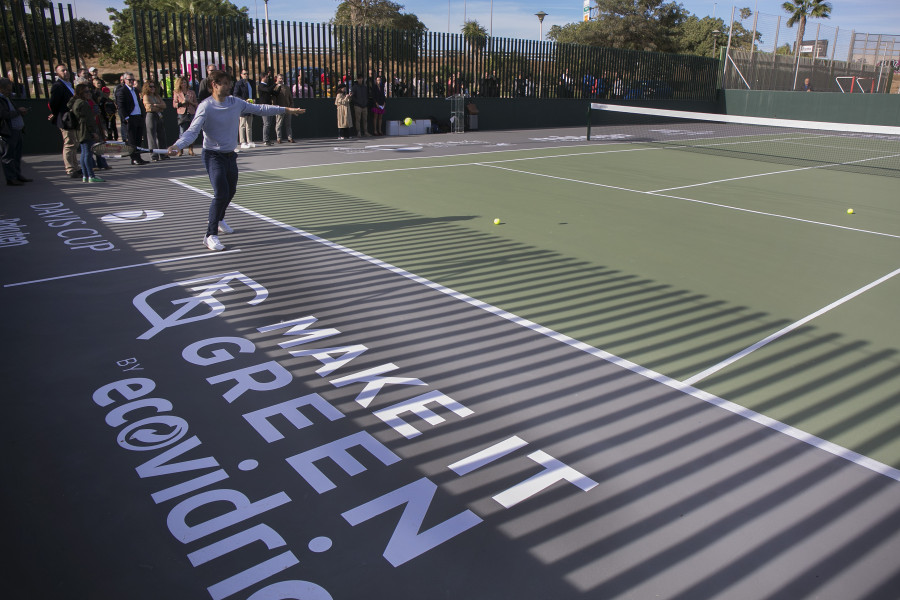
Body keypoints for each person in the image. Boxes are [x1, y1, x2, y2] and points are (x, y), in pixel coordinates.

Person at [166, 70, 306, 251]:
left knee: (230, 191)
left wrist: (286, 109)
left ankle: (219, 219)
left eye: (229, 83)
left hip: (230, 155)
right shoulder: (205, 106)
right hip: (213, 155)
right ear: (214, 85)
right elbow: (192, 131)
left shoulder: (235, 103)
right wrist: (177, 145)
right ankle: (210, 235)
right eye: (225, 83)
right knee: (221, 193)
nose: (229, 86)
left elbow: (260, 108)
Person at [48, 64, 80, 178]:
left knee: (74, 143)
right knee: (69, 143)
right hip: (65, 118)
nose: (66, 72)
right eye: (63, 70)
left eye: (67, 70)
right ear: (58, 73)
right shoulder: (58, 86)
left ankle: (76, 167)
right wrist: (57, 113)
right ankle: (70, 169)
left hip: (73, 118)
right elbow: (53, 103)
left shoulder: (69, 85)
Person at [67, 83, 104, 183]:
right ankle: (91, 176)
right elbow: (89, 120)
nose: (89, 94)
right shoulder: (83, 104)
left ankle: (85, 175)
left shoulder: (76, 102)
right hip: (85, 131)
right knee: (88, 153)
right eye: (86, 92)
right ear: (81, 93)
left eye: (89, 91)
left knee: (84, 153)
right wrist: (93, 132)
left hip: (80, 130)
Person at [0, 77, 31, 186]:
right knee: (8, 155)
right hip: (8, 131)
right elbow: (3, 115)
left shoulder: (7, 98)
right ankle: (11, 178)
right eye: (8, 89)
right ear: (1, 89)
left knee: (17, 154)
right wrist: (18, 112)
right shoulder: (1, 99)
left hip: (16, 129)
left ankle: (17, 175)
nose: (10, 91)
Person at [116, 72, 148, 165]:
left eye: (132, 80)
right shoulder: (122, 91)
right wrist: (126, 117)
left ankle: (138, 157)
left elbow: (138, 103)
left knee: (138, 139)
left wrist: (142, 115)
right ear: (125, 80)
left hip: (138, 116)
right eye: (129, 80)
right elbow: (121, 106)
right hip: (131, 117)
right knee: (132, 140)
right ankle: (134, 158)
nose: (131, 81)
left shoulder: (135, 90)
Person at [142, 80, 167, 161]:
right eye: (150, 86)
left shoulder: (157, 96)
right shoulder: (146, 96)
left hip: (158, 115)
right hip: (151, 115)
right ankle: (154, 155)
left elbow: (164, 105)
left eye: (154, 87)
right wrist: (159, 107)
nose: (152, 88)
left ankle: (163, 154)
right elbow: (149, 108)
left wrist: (156, 105)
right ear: (147, 87)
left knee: (162, 135)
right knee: (152, 136)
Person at [172, 76, 198, 156]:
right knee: (182, 131)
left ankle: (191, 149)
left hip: (191, 112)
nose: (184, 84)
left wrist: (190, 102)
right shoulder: (177, 93)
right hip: (182, 113)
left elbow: (196, 104)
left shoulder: (192, 92)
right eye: (182, 83)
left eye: (185, 82)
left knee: (192, 131)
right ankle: (180, 149)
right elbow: (174, 104)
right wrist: (182, 102)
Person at [232, 68, 256, 148]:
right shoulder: (239, 83)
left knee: (249, 124)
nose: (246, 75)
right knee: (242, 124)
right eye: (244, 74)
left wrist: (254, 99)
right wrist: (244, 100)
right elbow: (235, 94)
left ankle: (250, 141)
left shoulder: (251, 82)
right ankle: (242, 142)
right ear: (241, 75)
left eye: (247, 74)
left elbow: (253, 93)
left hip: (250, 105)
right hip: (242, 105)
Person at [272, 73, 294, 142]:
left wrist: (291, 106)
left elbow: (290, 97)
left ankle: (290, 138)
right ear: (277, 79)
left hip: (287, 108)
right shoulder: (275, 87)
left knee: (288, 124)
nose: (281, 80)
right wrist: (275, 107)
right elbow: (273, 98)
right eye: (280, 78)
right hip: (279, 108)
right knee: (278, 124)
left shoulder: (286, 88)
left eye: (282, 78)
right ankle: (279, 138)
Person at [257, 67, 276, 145]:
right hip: (264, 106)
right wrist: (275, 84)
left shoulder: (267, 85)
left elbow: (273, 92)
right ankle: (265, 140)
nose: (267, 78)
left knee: (269, 123)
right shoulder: (261, 85)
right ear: (263, 77)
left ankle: (267, 139)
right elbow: (268, 90)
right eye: (266, 77)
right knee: (266, 123)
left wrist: (278, 86)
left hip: (269, 105)